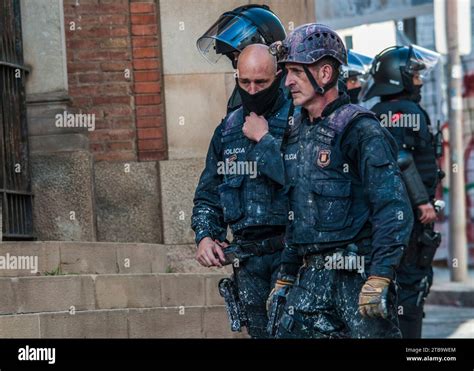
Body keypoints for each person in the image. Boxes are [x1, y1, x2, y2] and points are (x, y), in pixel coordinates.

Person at [268, 23, 413, 338]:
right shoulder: (295, 133)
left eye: (294, 71)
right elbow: (298, 211)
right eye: (286, 72)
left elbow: (393, 208)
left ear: (323, 74)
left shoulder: (361, 130)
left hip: (356, 278)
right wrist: (286, 276)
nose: (288, 81)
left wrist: (380, 276)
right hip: (310, 279)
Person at [191, 44, 292, 338]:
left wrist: (264, 140)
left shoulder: (298, 120)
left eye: (261, 83)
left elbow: (298, 181)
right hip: (248, 261)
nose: (252, 90)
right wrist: (206, 236)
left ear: (279, 77)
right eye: (245, 81)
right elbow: (208, 195)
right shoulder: (227, 130)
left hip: (291, 256)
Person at [361, 45, 443, 338]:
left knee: (389, 291)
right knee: (410, 292)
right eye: (415, 75)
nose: (419, 82)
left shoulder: (374, 113)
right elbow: (400, 161)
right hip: (408, 221)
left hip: (384, 221)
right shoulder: (404, 112)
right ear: (399, 77)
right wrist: (422, 202)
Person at [196, 4, 286, 112]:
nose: (236, 61)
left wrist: (262, 130)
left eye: (238, 54)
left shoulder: (289, 89)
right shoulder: (242, 88)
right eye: (233, 56)